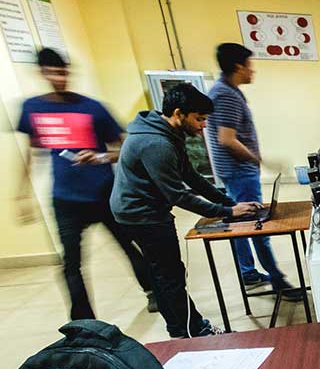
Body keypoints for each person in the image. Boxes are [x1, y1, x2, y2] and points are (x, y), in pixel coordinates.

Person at [111, 83, 262, 338]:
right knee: (170, 274)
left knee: (162, 272)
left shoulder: (167, 133)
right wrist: (227, 212)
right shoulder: (156, 143)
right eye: (199, 119)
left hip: (141, 209)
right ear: (179, 113)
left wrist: (228, 202)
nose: (204, 125)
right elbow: (178, 195)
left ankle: (178, 329)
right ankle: (193, 330)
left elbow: (191, 176)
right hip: (141, 215)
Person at [17, 48, 155, 320]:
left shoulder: (92, 108)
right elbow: (31, 150)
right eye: (54, 73)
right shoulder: (33, 108)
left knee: (129, 245)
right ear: (42, 73)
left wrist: (100, 157)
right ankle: (83, 321)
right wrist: (22, 194)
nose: (60, 78)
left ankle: (153, 290)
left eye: (64, 72)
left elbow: (126, 149)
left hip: (104, 192)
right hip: (66, 199)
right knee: (71, 263)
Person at [205, 43, 299, 300]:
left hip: (234, 170)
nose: (252, 71)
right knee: (257, 225)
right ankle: (277, 279)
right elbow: (227, 139)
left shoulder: (225, 90)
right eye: (249, 66)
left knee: (241, 223)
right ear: (238, 67)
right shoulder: (225, 95)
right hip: (239, 171)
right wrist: (261, 160)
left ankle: (248, 272)